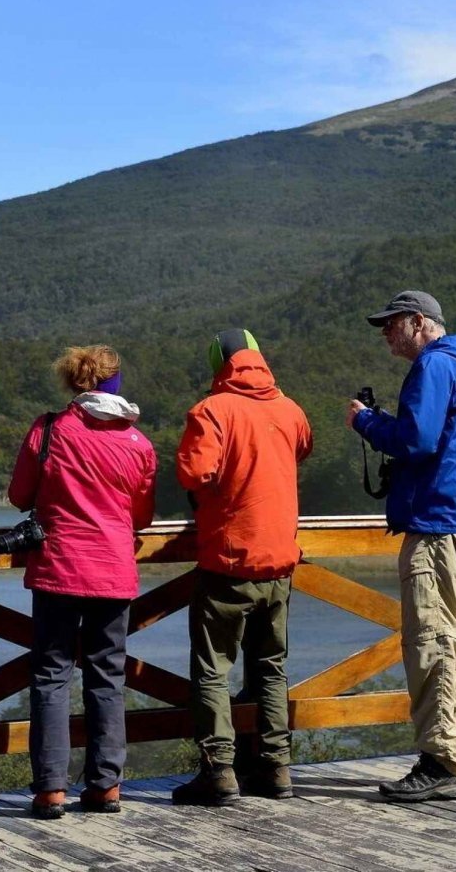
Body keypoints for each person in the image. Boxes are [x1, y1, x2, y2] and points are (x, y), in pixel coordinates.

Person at [346, 290, 456, 803]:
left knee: (432, 645)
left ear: (417, 322)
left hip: (437, 529)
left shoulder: (434, 367)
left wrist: (367, 421)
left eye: (390, 324)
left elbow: (416, 440)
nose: (385, 333)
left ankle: (440, 760)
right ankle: (447, 751)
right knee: (453, 644)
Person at [8, 345, 156, 818]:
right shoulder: (138, 443)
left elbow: (18, 496)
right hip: (114, 572)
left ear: (73, 383)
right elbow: (143, 515)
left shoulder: (50, 429)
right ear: (116, 383)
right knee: (107, 676)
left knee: (51, 677)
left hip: (58, 567)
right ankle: (105, 786)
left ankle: (51, 790)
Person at [172, 329, 313, 806]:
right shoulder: (290, 409)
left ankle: (219, 771)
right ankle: (276, 768)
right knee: (271, 668)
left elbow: (193, 473)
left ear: (220, 364)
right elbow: (304, 446)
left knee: (214, 670)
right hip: (280, 564)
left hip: (227, 562)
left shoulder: (211, 411)